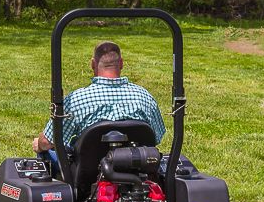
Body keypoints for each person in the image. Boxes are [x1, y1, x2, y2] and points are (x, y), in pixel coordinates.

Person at [32, 41, 166, 174]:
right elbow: (156, 138)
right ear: (121, 63)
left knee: (47, 151)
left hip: (86, 176)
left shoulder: (77, 100)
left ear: (92, 64)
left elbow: (48, 141)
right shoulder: (144, 97)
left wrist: (39, 144)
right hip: (136, 170)